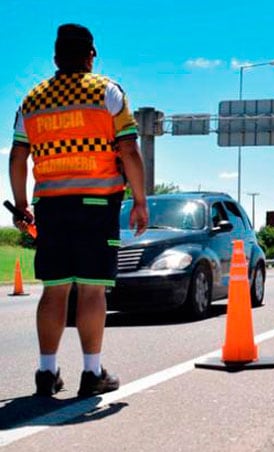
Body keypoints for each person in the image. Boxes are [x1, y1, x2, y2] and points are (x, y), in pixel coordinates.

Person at [8, 24, 149, 397]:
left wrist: (22, 205)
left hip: (51, 208)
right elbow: (130, 151)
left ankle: (46, 372)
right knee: (91, 291)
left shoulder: (31, 100)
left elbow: (18, 155)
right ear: (91, 55)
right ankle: (92, 372)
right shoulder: (108, 92)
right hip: (97, 205)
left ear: (55, 58)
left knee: (54, 291)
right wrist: (140, 200)